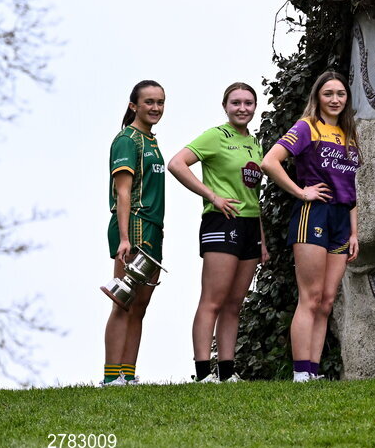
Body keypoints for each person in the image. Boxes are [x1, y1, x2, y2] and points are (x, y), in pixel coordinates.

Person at [261, 71, 361, 382]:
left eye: (340, 94)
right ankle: (300, 372)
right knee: (311, 296)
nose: (335, 99)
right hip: (313, 215)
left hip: (341, 220)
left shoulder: (349, 136)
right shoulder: (307, 127)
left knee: (328, 299)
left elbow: (351, 189)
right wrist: (302, 191)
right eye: (328, 93)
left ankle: (312, 372)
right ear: (317, 97)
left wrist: (355, 232)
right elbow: (269, 162)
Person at [168, 82, 268, 384]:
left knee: (234, 303)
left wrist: (262, 239)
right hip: (222, 223)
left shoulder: (255, 143)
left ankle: (226, 372)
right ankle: (202, 374)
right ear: (225, 106)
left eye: (248, 103)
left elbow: (254, 194)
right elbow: (176, 164)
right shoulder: (215, 136)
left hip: (250, 227)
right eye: (236, 103)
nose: (242, 108)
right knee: (212, 299)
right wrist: (213, 196)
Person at [102, 80, 166, 386]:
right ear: (134, 106)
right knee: (122, 301)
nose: (155, 108)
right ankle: (111, 377)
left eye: (160, 102)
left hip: (154, 227)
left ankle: (128, 374)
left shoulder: (152, 141)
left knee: (140, 305)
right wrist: (125, 238)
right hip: (134, 225)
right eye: (149, 102)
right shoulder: (127, 140)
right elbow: (123, 193)